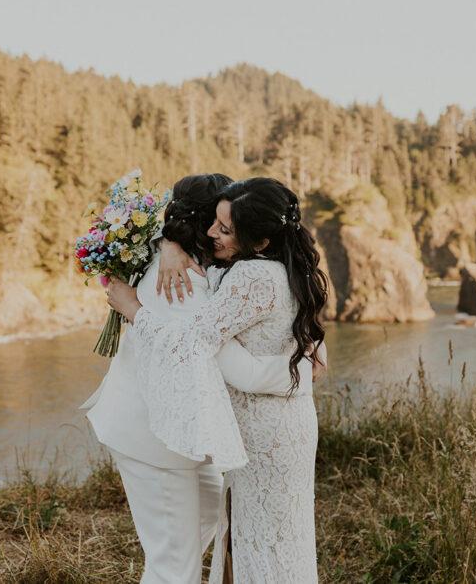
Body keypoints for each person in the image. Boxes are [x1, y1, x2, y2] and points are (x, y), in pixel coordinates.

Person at [83, 173, 311, 584]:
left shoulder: (196, 267)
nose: (214, 233)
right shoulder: (184, 281)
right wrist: (297, 371)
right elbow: (200, 350)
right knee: (175, 564)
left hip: (176, 439)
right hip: (153, 436)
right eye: (215, 224)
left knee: (207, 516)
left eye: (226, 228)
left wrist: (166, 243)